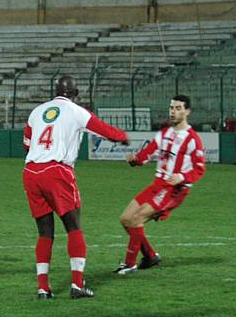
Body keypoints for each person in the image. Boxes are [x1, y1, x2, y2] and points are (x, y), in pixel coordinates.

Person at [22, 75, 128, 300]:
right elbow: (105, 130)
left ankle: (43, 288)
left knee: (45, 232)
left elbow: (26, 144)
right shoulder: (77, 112)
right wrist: (123, 137)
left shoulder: (36, 111)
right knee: (74, 227)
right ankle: (77, 285)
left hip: (31, 172)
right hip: (57, 172)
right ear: (75, 93)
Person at [114, 94, 205, 274]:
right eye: (171, 107)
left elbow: (199, 169)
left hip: (174, 189)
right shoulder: (164, 133)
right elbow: (147, 154)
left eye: (178, 108)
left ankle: (129, 264)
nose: (173, 111)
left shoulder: (192, 139)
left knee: (137, 218)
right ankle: (149, 256)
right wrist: (135, 160)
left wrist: (182, 177)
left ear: (187, 112)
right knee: (125, 218)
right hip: (158, 184)